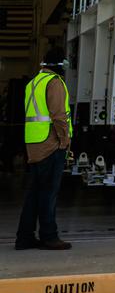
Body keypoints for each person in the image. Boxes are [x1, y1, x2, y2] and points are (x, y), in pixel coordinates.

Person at [15, 56, 73, 250]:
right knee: (48, 194)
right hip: (50, 144)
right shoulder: (54, 82)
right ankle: (49, 236)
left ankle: (24, 237)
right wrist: (64, 141)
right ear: (58, 66)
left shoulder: (33, 83)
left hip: (33, 143)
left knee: (34, 194)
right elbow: (58, 115)